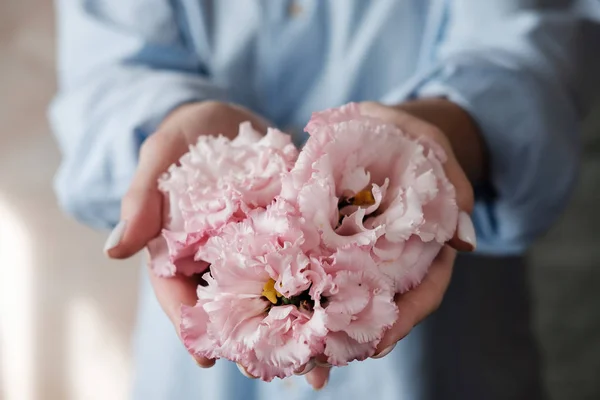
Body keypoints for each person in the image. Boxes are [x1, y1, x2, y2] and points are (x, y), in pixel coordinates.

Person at [50, 1, 600, 399]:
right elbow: (105, 79)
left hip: (447, 358)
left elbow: (533, 53)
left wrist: (443, 139)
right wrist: (171, 138)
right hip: (205, 357)